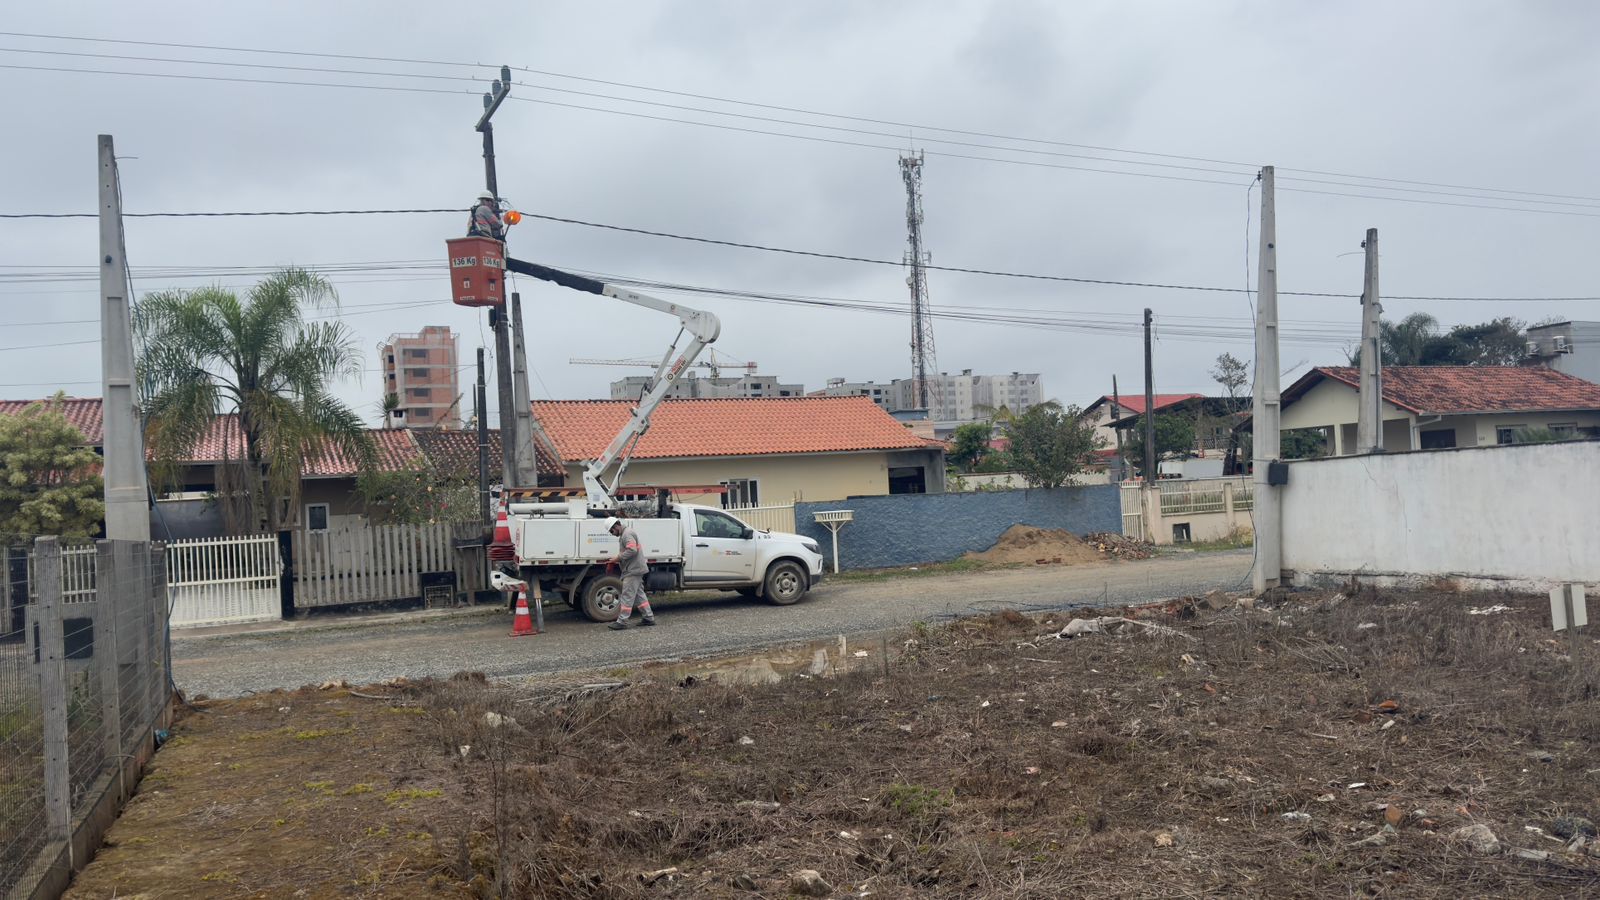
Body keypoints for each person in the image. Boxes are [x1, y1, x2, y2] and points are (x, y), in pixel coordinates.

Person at [606, 516, 656, 630]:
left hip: (633, 570)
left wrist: (617, 558)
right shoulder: (626, 533)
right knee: (639, 595)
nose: (612, 533)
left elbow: (632, 550)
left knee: (627, 595)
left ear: (616, 526)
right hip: (635, 569)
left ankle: (622, 621)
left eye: (611, 531)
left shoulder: (627, 534)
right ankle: (648, 617)